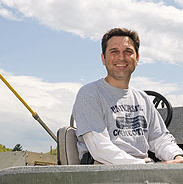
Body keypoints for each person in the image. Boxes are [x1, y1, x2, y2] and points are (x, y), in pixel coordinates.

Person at [72, 28, 183, 164]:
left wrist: (177, 156)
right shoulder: (90, 93)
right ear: (103, 58)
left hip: (143, 173)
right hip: (104, 173)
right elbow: (99, 148)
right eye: (114, 52)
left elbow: (159, 138)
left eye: (128, 52)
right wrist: (143, 166)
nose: (121, 57)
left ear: (137, 58)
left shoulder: (143, 99)